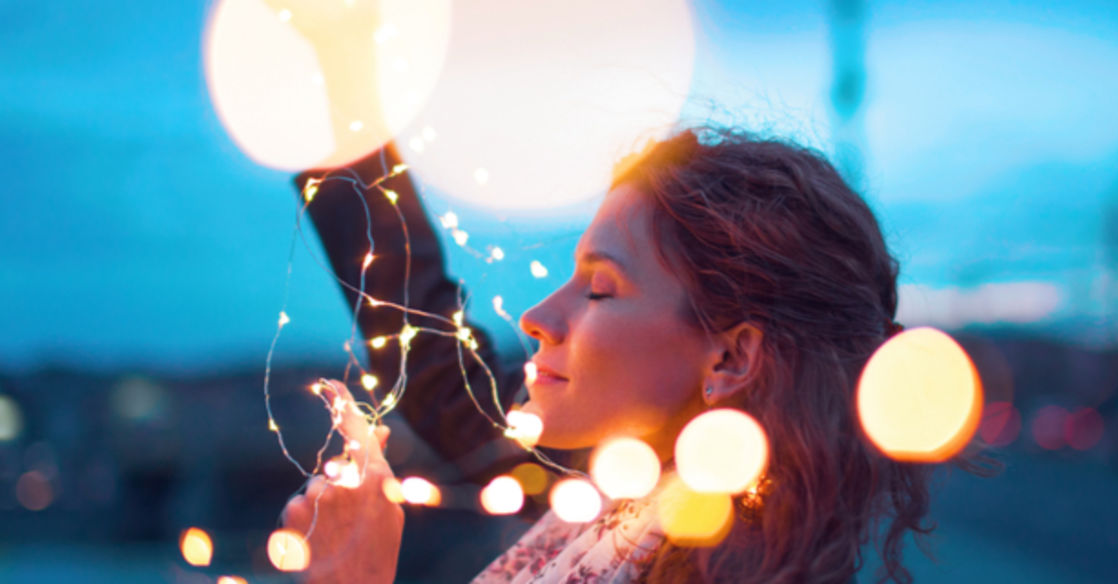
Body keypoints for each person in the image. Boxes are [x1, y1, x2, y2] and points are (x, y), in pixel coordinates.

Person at [280, 129, 933, 584]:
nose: (536, 318)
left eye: (598, 289)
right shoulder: (623, 492)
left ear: (730, 360)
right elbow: (450, 386)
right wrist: (341, 116)